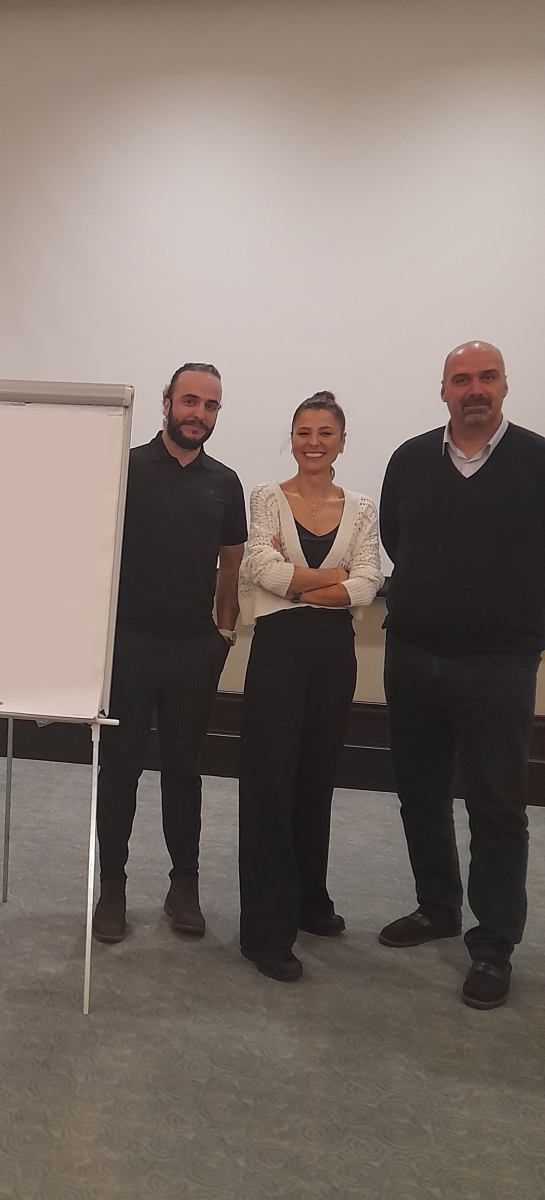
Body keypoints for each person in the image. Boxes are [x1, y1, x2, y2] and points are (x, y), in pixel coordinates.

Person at [378, 340, 545, 1010]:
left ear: (504, 386)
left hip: (499, 663)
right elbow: (395, 538)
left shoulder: (537, 460)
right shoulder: (410, 459)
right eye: (461, 379)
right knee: (419, 792)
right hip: (412, 653)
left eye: (486, 377)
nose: (474, 389)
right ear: (443, 390)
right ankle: (438, 906)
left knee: (496, 806)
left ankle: (494, 943)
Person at [93, 363, 247, 943]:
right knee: (120, 771)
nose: (198, 414)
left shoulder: (225, 482)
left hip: (192, 652)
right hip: (129, 646)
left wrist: (223, 633)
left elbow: (230, 565)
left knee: (184, 773)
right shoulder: (126, 467)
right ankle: (112, 887)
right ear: (167, 403)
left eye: (210, 405)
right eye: (189, 401)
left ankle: (184, 886)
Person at [237, 393, 382, 982]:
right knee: (270, 783)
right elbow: (260, 570)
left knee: (316, 778)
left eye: (325, 432)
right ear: (292, 439)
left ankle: (308, 901)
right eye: (303, 432)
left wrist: (300, 584)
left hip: (332, 654)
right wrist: (333, 578)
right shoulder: (266, 498)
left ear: (342, 441)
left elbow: (369, 583)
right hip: (278, 650)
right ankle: (265, 931)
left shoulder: (363, 508)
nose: (313, 442)